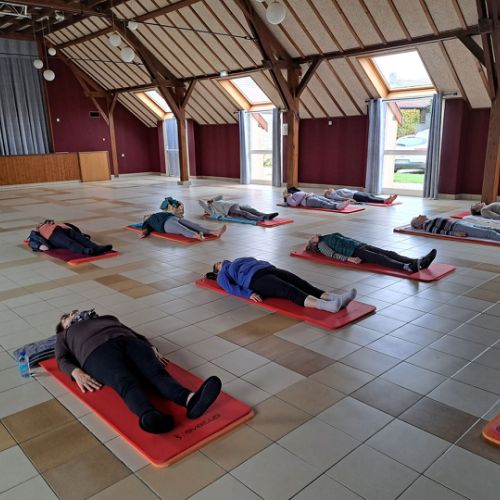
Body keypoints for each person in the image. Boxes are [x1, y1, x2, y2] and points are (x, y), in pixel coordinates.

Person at [55, 309, 222, 434]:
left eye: (73, 311)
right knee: (125, 382)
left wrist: (151, 347)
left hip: (128, 341)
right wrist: (75, 372)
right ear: (64, 327)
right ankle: (148, 415)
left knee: (156, 373)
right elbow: (61, 359)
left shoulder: (106, 318)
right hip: (95, 352)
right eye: (66, 317)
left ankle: (191, 400)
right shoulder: (64, 336)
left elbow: (135, 334)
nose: (72, 313)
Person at [206, 257, 357, 313]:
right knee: (289, 290)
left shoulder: (236, 260)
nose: (220, 261)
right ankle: (327, 306)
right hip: (255, 279)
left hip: (268, 269)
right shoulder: (222, 275)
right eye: (217, 263)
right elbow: (230, 288)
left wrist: (269, 266)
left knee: (301, 283)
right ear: (217, 270)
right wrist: (248, 293)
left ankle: (336, 298)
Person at [307, 233, 437, 273]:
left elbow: (346, 238)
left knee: (389, 252)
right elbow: (333, 255)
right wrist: (350, 259)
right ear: (313, 244)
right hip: (354, 252)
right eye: (312, 238)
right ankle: (407, 267)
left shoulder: (326, 236)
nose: (314, 236)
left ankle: (418, 261)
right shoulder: (322, 245)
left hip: (360, 245)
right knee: (380, 258)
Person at [28, 220, 112, 255]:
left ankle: (97, 248)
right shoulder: (38, 231)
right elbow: (31, 241)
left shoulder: (58, 224)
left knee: (82, 239)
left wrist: (80, 234)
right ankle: (85, 251)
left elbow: (74, 228)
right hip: (52, 235)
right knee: (69, 243)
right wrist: (39, 246)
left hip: (66, 230)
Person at [141, 212, 226, 241]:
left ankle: (215, 232)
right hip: (165, 224)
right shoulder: (147, 222)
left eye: (147, 215)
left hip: (174, 218)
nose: (147, 215)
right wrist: (143, 234)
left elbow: (171, 213)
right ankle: (196, 236)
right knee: (182, 229)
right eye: (145, 216)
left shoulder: (157, 214)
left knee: (194, 225)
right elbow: (145, 230)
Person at [410, 215, 500, 241]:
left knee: (488, 228)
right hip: (458, 228)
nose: (420, 215)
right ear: (418, 224)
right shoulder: (427, 226)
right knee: (488, 233)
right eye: (418, 217)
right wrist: (455, 234)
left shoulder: (429, 221)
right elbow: (440, 232)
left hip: (460, 224)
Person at [199, 195, 279, 222]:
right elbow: (200, 202)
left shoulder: (215, 201)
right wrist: (207, 205)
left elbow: (221, 196)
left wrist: (212, 199)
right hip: (229, 210)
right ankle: (258, 219)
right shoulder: (211, 210)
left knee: (252, 210)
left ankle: (267, 215)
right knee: (245, 213)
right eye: (206, 210)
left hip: (234, 205)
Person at [283, 189, 350, 210]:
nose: (288, 193)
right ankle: (337, 207)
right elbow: (295, 204)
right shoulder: (289, 199)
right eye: (286, 193)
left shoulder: (295, 193)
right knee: (322, 203)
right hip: (307, 201)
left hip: (311, 195)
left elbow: (305, 193)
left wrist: (309, 194)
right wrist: (290, 197)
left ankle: (339, 204)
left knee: (327, 200)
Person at [324, 187, 398, 205]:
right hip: (354, 196)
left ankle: (387, 199)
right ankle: (385, 201)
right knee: (368, 198)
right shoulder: (333, 195)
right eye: (328, 191)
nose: (330, 189)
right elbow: (339, 198)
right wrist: (348, 199)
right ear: (328, 194)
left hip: (356, 193)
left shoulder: (336, 191)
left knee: (371, 195)